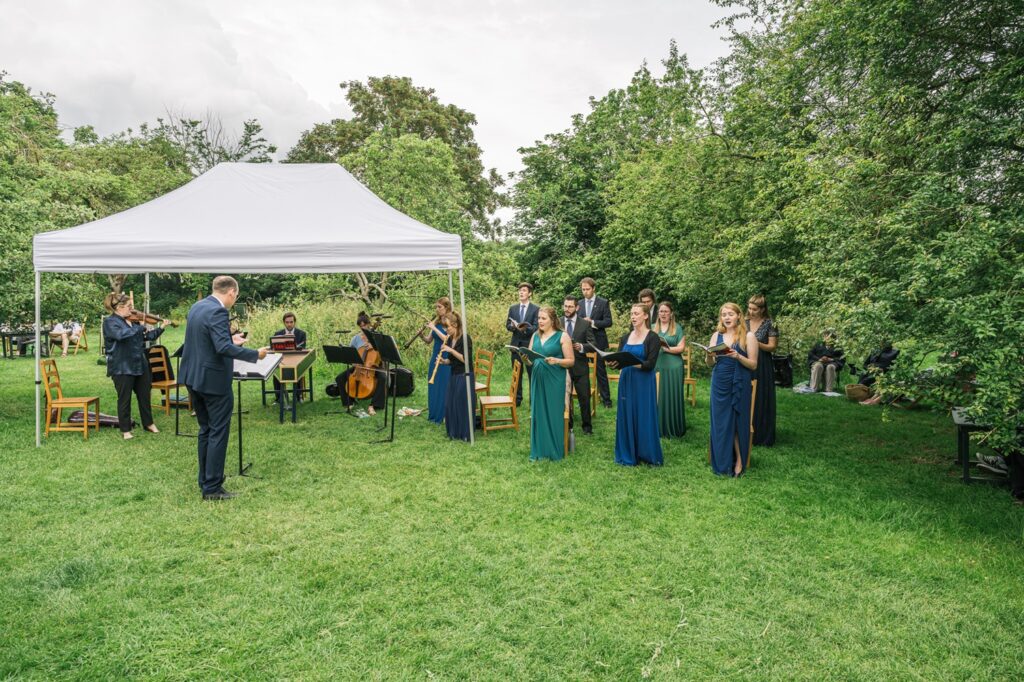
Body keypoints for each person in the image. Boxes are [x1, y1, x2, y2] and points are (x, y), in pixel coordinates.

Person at [179, 276, 266, 501]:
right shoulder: (219, 312)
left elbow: (207, 339)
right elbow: (221, 348)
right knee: (218, 431)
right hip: (213, 381)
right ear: (231, 293)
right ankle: (212, 488)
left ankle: (206, 479)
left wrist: (229, 337)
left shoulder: (198, 306)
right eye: (235, 296)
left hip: (193, 377)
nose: (233, 300)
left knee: (205, 429)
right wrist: (255, 354)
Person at [103, 294, 165, 439]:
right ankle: (125, 430)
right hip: (122, 366)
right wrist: (140, 328)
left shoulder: (134, 322)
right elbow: (121, 335)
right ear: (119, 307)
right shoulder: (110, 322)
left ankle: (149, 423)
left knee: (144, 395)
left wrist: (161, 327)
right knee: (124, 399)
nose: (132, 310)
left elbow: (147, 337)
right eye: (129, 307)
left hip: (139, 364)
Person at [706, 303, 758, 476]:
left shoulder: (748, 336)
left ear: (738, 316)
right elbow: (710, 364)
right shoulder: (716, 336)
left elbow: (753, 365)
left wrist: (738, 356)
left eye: (730, 314)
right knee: (720, 421)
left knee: (736, 421)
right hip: (719, 381)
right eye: (723, 315)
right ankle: (722, 460)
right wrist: (709, 355)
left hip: (738, 382)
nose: (726, 318)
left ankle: (739, 461)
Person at [609, 303, 662, 466]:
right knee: (626, 414)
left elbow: (650, 364)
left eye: (636, 313)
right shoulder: (625, 337)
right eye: (631, 313)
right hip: (626, 380)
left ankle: (646, 453)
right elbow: (619, 361)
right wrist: (612, 363)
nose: (633, 316)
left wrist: (632, 363)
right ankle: (627, 452)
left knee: (644, 415)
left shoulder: (653, 337)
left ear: (646, 316)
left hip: (644, 382)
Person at [338, 312, 387, 416]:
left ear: (369, 324)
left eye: (364, 325)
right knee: (340, 378)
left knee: (383, 378)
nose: (363, 328)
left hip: (373, 366)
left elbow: (384, 351)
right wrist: (353, 362)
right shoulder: (356, 338)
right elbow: (351, 353)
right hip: (359, 367)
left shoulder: (377, 336)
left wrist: (375, 346)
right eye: (360, 326)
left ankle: (374, 405)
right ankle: (349, 402)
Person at [746, 294, 779, 445]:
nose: (751, 312)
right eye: (749, 308)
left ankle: (761, 433)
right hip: (745, 360)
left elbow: (772, 347)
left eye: (754, 309)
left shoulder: (770, 324)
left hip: (763, 363)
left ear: (762, 309)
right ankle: (744, 430)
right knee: (746, 395)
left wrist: (754, 343)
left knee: (761, 396)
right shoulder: (744, 322)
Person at [562, 295, 595, 435]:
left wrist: (581, 346)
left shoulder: (585, 324)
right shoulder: (557, 322)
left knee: (584, 398)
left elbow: (594, 344)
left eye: (570, 306)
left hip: (580, 367)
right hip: (563, 367)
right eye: (565, 306)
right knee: (565, 398)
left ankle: (587, 427)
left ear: (577, 307)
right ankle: (567, 425)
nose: (567, 309)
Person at [416, 297, 452, 424]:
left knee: (443, 385)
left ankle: (444, 414)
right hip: (435, 356)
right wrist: (421, 335)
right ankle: (434, 413)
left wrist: (434, 328)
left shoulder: (450, 321)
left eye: (439, 307)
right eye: (436, 307)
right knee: (433, 385)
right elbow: (428, 341)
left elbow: (448, 339)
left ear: (446, 307)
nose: (437, 309)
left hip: (445, 357)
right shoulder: (436, 321)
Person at [653, 301, 687, 438]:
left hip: (673, 367)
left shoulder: (677, 328)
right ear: (658, 313)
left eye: (666, 311)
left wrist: (667, 349)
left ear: (671, 313)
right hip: (656, 366)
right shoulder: (651, 327)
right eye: (661, 311)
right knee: (657, 395)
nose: (663, 314)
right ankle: (656, 426)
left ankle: (673, 426)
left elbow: (681, 347)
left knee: (671, 395)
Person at [441, 311, 476, 441]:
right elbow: (452, 360)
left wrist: (450, 350)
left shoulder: (465, 339)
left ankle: (465, 433)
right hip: (454, 374)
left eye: (448, 327)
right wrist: (444, 361)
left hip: (465, 374)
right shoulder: (450, 339)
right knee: (451, 404)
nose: (446, 330)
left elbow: (465, 359)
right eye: (445, 327)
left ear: (455, 325)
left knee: (462, 404)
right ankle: (454, 432)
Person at [580, 277, 614, 408]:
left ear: (593, 289)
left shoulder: (603, 302)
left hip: (598, 341)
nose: (585, 292)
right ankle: (585, 399)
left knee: (600, 371)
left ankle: (606, 401)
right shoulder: (580, 303)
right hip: (584, 342)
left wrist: (592, 322)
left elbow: (608, 321)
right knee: (583, 372)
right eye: (583, 289)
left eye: (587, 289)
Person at [506, 282, 539, 406]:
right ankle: (517, 400)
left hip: (529, 346)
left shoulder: (535, 309)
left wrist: (524, 328)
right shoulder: (513, 308)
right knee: (517, 374)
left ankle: (533, 400)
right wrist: (513, 327)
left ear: (529, 293)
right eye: (520, 290)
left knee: (531, 374)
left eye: (524, 290)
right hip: (515, 346)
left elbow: (536, 327)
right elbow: (507, 325)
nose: (521, 292)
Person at [271, 312, 307, 402]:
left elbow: (303, 347)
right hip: (281, 360)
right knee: (276, 372)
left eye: (291, 322)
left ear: (294, 322)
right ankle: (279, 398)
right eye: (287, 322)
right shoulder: (278, 333)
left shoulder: (301, 334)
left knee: (298, 370)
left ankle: (298, 397)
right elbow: (273, 347)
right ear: (284, 322)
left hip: (296, 359)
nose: (289, 324)